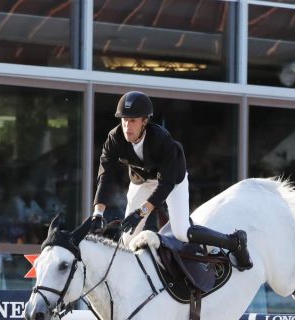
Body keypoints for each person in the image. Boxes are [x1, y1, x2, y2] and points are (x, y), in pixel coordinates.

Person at [91, 91, 252, 269]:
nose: (127, 126)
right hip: (141, 181)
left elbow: (165, 185)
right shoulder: (114, 138)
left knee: (181, 232)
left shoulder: (162, 140)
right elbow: (105, 175)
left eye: (133, 121)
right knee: (127, 238)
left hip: (172, 180)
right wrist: (98, 214)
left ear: (145, 121)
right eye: (124, 120)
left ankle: (233, 242)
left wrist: (141, 212)